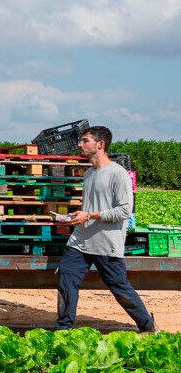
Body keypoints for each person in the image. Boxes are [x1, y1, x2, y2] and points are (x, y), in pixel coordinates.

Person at [56, 125, 156, 332]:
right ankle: (63, 329)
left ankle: (147, 325)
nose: (79, 144)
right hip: (81, 240)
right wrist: (77, 217)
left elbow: (124, 211)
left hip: (106, 244)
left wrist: (90, 215)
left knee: (119, 287)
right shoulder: (88, 174)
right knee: (66, 277)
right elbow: (91, 207)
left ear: (100, 144)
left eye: (85, 141)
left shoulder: (118, 174)